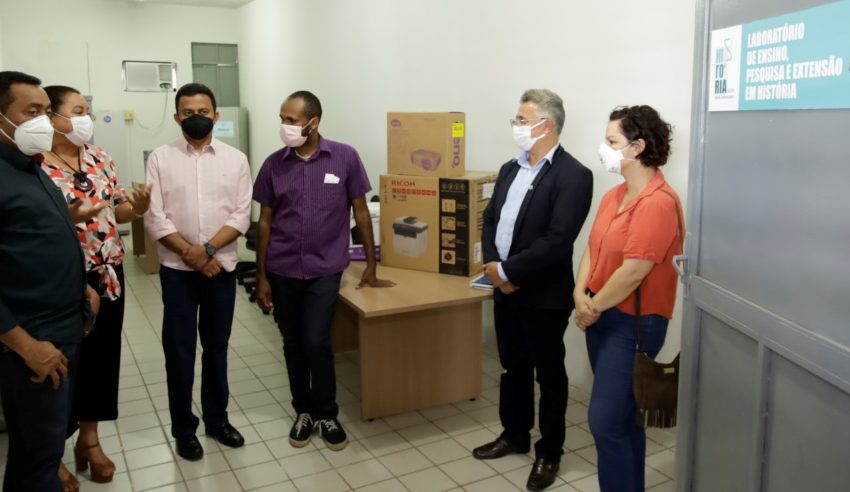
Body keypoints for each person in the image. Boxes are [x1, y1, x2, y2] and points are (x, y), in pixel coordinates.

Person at [253, 90, 393, 452]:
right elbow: (264, 222)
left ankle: (327, 413)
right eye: (282, 118)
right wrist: (262, 276)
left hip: (324, 270)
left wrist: (372, 265)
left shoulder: (344, 158)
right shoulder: (273, 165)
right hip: (282, 269)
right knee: (293, 344)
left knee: (317, 342)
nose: (284, 126)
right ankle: (303, 411)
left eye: (291, 120)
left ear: (313, 122)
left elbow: (361, 212)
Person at [474, 89, 593, 491]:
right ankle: (515, 433)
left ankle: (550, 451)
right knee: (512, 366)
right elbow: (489, 219)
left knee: (550, 373)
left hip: (543, 295)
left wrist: (508, 269)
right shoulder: (510, 168)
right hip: (504, 288)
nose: (517, 127)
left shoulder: (574, 175)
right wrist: (493, 267)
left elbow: (558, 239)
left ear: (547, 124)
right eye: (518, 120)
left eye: (523, 121)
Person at [40, 85, 152, 487]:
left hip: (108, 273)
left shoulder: (99, 157)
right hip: (63, 279)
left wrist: (135, 209)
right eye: (77, 110)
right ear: (50, 117)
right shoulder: (35, 165)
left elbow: (117, 207)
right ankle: (48, 453)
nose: (86, 117)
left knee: (102, 358)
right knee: (62, 365)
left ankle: (89, 440)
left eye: (88, 110)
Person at [573, 105, 683, 492]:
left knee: (606, 422)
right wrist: (579, 293)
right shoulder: (614, 195)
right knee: (623, 420)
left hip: (632, 322)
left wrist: (592, 306)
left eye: (611, 141)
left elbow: (635, 270)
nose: (603, 148)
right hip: (599, 313)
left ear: (636, 148)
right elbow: (593, 248)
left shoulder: (658, 202)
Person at [0, 71, 99, 491]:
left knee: (45, 443)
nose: (43, 122)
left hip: (62, 326)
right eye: (32, 112)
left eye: (45, 111)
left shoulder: (30, 166)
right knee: (37, 453)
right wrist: (25, 345)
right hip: (32, 342)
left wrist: (83, 292)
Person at [145, 82, 252, 461]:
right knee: (179, 350)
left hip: (219, 268)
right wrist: (190, 254)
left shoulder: (236, 159)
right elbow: (155, 215)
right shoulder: (159, 157)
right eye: (188, 112)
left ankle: (217, 420)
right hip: (177, 270)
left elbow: (240, 214)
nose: (196, 118)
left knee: (217, 348)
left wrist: (206, 251)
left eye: (203, 111)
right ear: (177, 117)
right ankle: (183, 429)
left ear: (216, 115)